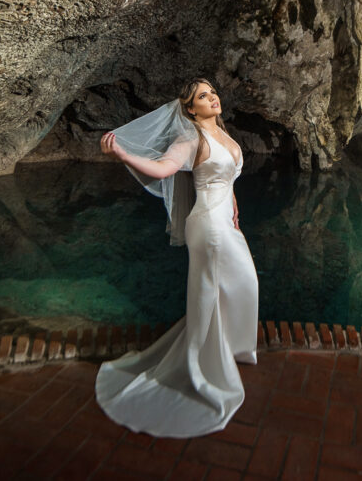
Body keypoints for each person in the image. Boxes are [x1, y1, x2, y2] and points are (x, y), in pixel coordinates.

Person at [94, 78, 259, 437]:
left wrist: (235, 207)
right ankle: (205, 366)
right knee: (220, 288)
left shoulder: (226, 136)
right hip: (208, 227)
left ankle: (227, 350)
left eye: (212, 92)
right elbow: (164, 169)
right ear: (190, 109)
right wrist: (123, 155)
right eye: (203, 96)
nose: (212, 97)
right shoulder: (190, 139)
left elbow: (227, 179)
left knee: (239, 284)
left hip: (226, 224)